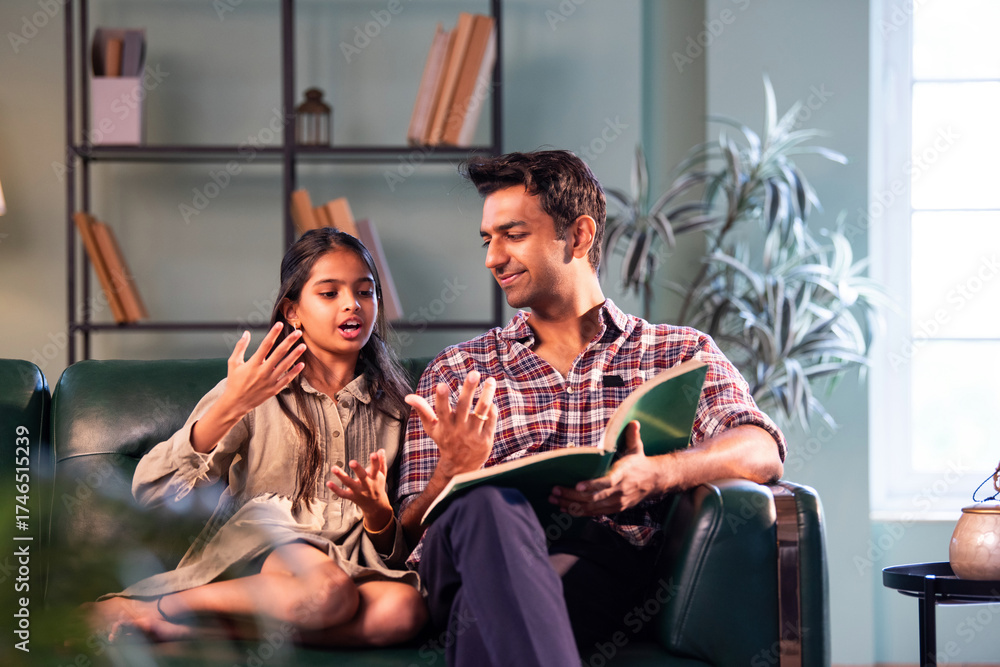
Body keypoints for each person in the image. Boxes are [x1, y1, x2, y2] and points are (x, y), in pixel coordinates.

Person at [397, 150, 786, 665]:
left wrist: (659, 473)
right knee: (488, 507)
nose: (492, 258)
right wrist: (453, 470)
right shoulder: (457, 370)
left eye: (513, 235)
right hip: (464, 556)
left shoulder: (675, 352)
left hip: (601, 571)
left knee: (491, 608)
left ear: (578, 236)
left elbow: (761, 448)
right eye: (487, 240)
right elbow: (406, 532)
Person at [87, 228, 427, 646]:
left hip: (349, 560)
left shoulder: (396, 406)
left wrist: (379, 516)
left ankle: (189, 629)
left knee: (403, 611)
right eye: (328, 293)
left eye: (365, 291)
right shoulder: (255, 388)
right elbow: (151, 494)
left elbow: (395, 550)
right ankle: (158, 606)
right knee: (326, 592)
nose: (351, 304)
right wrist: (232, 405)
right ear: (293, 311)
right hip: (263, 551)